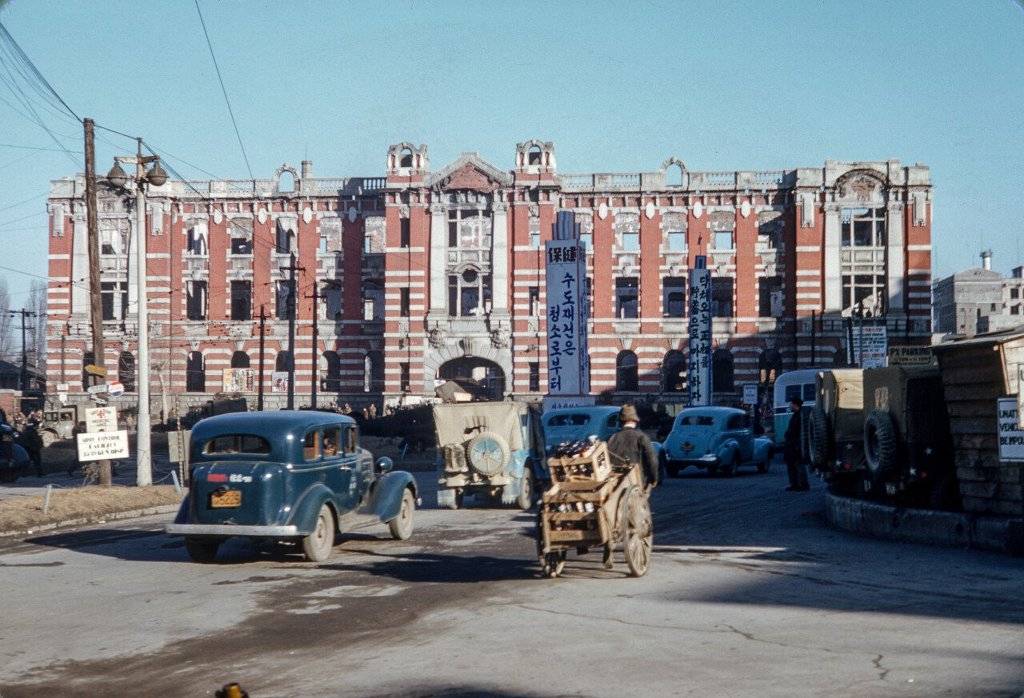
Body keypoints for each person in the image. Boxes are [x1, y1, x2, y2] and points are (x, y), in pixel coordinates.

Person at [606, 404, 660, 490]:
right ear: (635, 420)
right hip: (637, 482)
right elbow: (652, 459)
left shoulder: (613, 438)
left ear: (621, 421)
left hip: (615, 483)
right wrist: (654, 478)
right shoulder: (642, 437)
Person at [784, 398, 809, 491]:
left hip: (796, 445)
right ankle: (794, 484)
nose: (790, 406)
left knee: (799, 465)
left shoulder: (801, 416)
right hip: (791, 444)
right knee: (791, 465)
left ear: (795, 405)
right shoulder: (795, 415)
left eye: (791, 404)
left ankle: (803, 484)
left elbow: (801, 431)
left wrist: (798, 445)